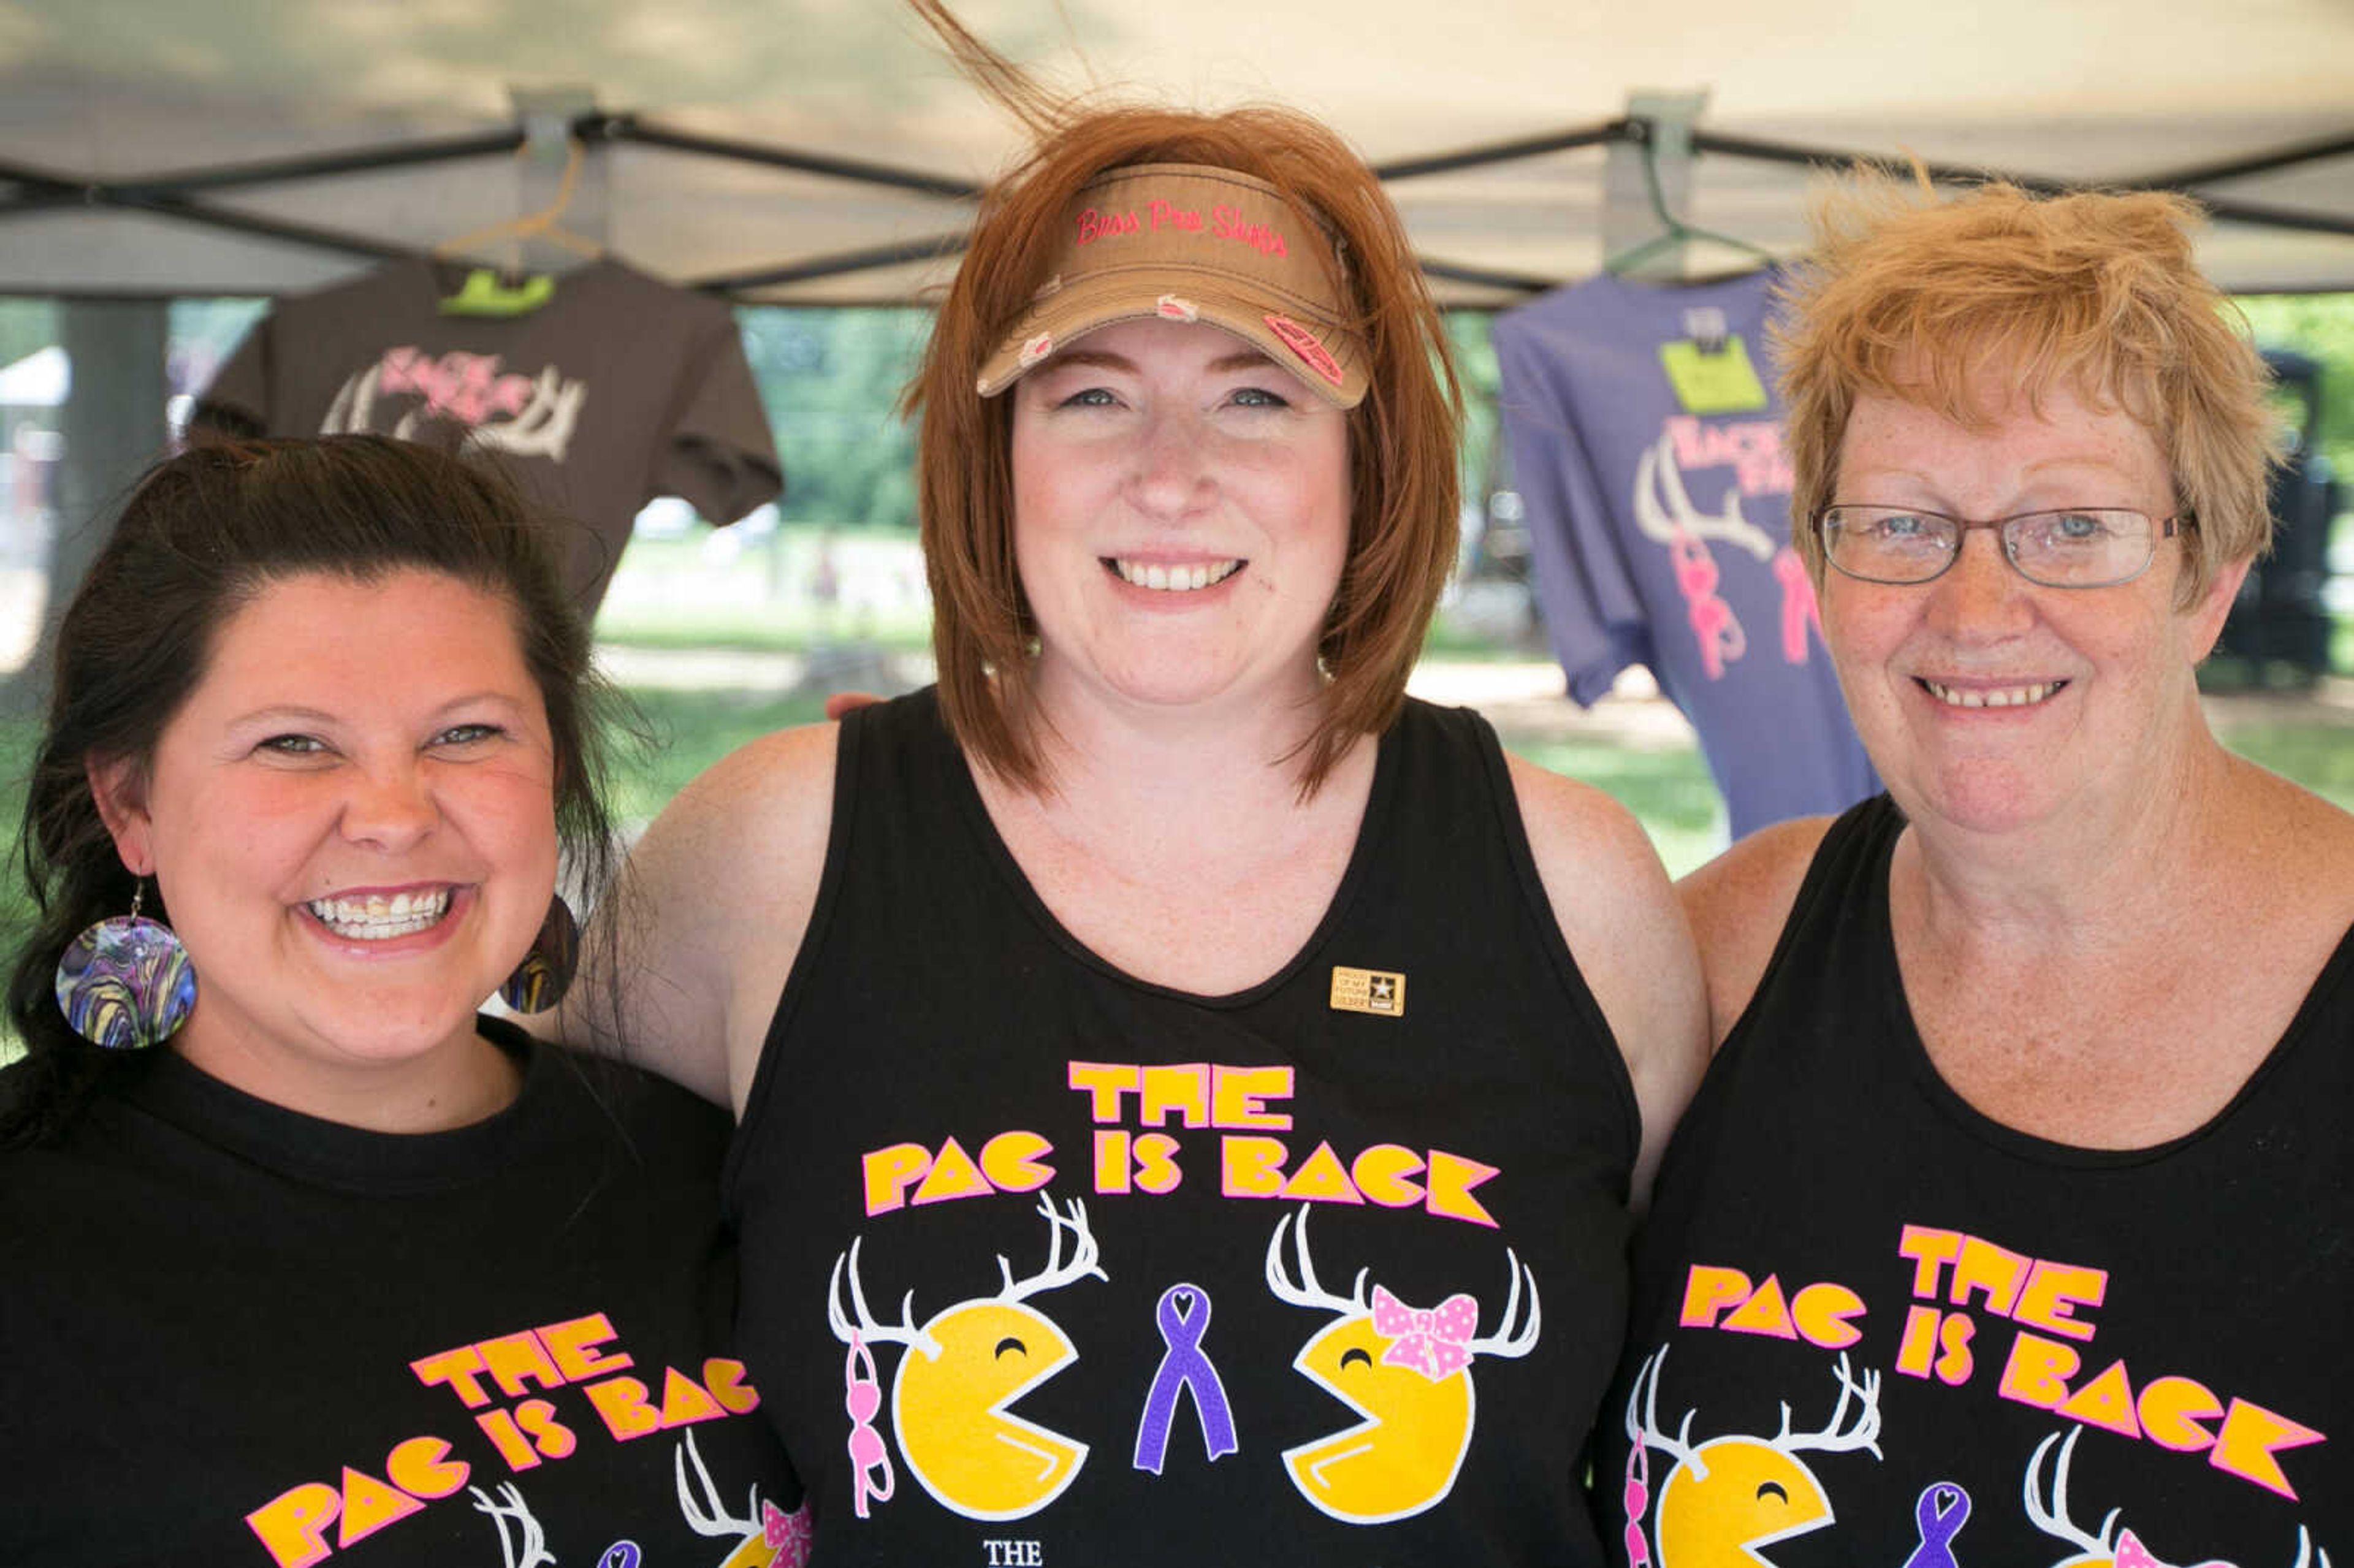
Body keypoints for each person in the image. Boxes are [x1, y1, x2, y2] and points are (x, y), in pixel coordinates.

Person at [562, 13, 1705, 1564]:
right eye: (1089, 395)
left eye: (1257, 396)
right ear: (996, 450)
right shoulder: (775, 851)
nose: (1170, 473)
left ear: (1371, 463)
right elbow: (527, 1255)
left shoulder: (1579, 888)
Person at [1599, 178, 2354, 1562]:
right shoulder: (1728, 953)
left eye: (2073, 525)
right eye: (1900, 522)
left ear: (2214, 578)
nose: (1979, 606)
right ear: (1819, 573)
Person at [0, 436, 802, 1567]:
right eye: (292, 743)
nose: (391, 813)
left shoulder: (722, 1166)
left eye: (466, 734)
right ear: (131, 804)